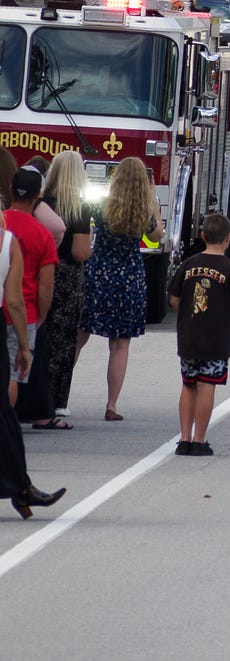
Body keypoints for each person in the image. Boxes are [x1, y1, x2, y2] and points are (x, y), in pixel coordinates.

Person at [78, 158, 159, 421]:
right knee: (120, 345)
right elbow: (157, 236)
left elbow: (87, 230)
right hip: (129, 276)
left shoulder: (102, 204)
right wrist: (154, 200)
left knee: (79, 336)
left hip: (99, 272)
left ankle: (59, 395)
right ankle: (111, 404)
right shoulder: (143, 209)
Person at [168, 212, 230, 457]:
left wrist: (186, 317)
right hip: (216, 338)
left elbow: (174, 298)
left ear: (203, 236)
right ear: (228, 238)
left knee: (188, 384)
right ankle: (199, 440)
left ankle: (184, 438)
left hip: (189, 336)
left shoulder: (188, 265)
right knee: (207, 385)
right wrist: (227, 325)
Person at [0, 219, 62, 521]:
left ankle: (20, 486)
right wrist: (24, 346)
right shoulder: (6, 243)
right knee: (5, 420)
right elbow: (12, 301)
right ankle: (20, 486)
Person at [37, 152, 92, 424]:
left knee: (38, 335)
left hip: (40, 274)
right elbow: (80, 252)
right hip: (68, 278)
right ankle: (56, 403)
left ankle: (32, 398)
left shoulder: (41, 204)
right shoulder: (79, 210)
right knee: (63, 342)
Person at [3, 167, 56, 415]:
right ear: (38, 196)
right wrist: (40, 315)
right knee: (12, 373)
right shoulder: (42, 235)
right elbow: (46, 285)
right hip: (24, 312)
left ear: (11, 189)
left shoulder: (2, 226)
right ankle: (6, 421)